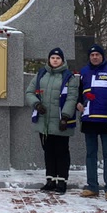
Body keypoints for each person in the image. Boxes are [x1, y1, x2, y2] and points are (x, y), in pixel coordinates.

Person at [25, 47, 80, 194]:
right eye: (52, 58)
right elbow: (29, 92)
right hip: (44, 121)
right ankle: (50, 180)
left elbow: (72, 98)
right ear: (49, 59)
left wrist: (66, 117)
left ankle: (61, 181)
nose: (55, 60)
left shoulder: (69, 77)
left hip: (61, 121)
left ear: (62, 60)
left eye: (58, 58)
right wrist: (36, 104)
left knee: (61, 152)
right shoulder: (41, 74)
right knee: (48, 151)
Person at [76, 44, 107, 201]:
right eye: (92, 55)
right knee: (90, 154)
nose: (94, 57)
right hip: (89, 119)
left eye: (97, 54)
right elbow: (79, 93)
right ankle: (92, 186)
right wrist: (79, 103)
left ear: (102, 56)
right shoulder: (83, 72)